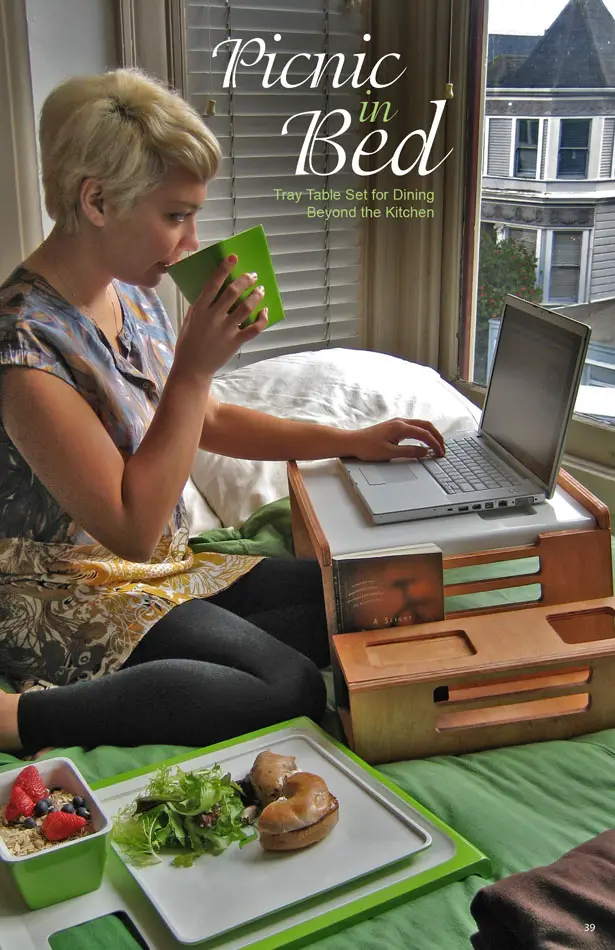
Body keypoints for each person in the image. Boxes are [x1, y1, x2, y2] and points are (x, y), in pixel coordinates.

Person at [0, 68, 445, 755]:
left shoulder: (132, 291)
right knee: (291, 687)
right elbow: (131, 530)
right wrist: (193, 367)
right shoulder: (21, 347)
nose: (190, 240)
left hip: (170, 572)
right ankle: (18, 719)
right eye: (174, 215)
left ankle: (210, 659)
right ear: (96, 200)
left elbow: (204, 418)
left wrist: (349, 440)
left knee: (397, 592)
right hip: (69, 590)